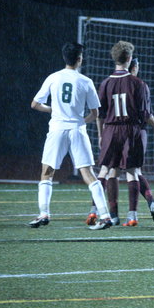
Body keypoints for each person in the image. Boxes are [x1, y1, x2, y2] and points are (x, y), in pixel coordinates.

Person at [29, 42, 113, 230]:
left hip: (57, 129)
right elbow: (95, 113)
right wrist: (81, 121)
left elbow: (34, 104)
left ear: (64, 58)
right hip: (77, 130)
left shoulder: (53, 77)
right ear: (80, 59)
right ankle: (105, 216)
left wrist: (52, 109)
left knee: (47, 172)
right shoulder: (85, 81)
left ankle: (44, 214)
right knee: (88, 173)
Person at [85, 57, 154, 226]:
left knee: (108, 170)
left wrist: (100, 135)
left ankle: (101, 211)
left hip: (111, 130)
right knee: (133, 171)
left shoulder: (106, 83)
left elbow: (100, 113)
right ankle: (135, 213)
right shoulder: (139, 84)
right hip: (133, 130)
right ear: (133, 65)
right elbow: (145, 113)